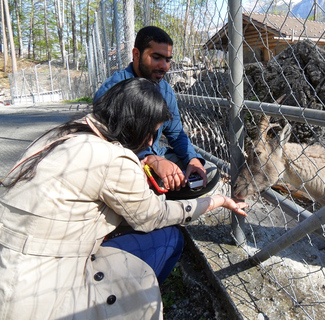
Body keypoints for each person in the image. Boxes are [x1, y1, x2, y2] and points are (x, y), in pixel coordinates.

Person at [0, 78, 247, 320]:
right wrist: (217, 202)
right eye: (150, 133)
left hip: (9, 269)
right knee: (170, 237)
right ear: (134, 125)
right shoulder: (114, 158)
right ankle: (128, 305)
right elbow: (154, 217)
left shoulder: (61, 134)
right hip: (46, 295)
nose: (150, 142)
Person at [94, 26, 218, 201]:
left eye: (168, 60)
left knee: (210, 173)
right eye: (156, 58)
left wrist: (193, 159)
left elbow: (175, 133)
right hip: (124, 162)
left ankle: (158, 193)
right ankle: (149, 201)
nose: (164, 66)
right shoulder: (112, 90)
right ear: (136, 54)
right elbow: (108, 144)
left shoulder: (165, 90)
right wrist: (149, 158)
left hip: (157, 154)